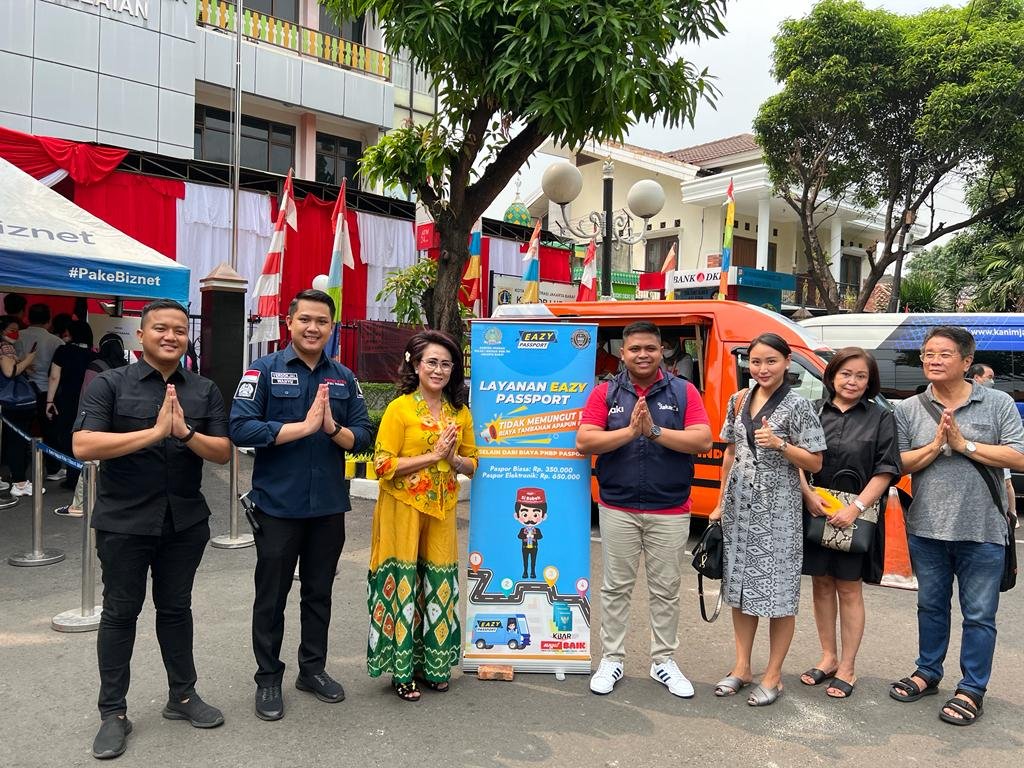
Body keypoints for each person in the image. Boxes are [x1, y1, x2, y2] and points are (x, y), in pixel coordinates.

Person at [73, 299, 231, 760]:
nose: (171, 336)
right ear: (140, 335)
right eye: (160, 328)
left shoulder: (203, 390)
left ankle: (182, 696)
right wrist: (155, 433)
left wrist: (184, 433)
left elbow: (223, 452)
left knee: (176, 609)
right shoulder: (110, 383)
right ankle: (113, 712)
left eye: (179, 330)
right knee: (120, 613)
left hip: (184, 521)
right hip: (124, 522)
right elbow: (83, 444)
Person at [230, 289, 372, 722]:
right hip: (277, 507)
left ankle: (312, 670)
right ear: (288, 322)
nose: (313, 328)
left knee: (318, 593)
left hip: (327, 507)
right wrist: (300, 428)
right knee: (271, 597)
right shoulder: (263, 371)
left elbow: (364, 435)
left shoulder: (343, 377)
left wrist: (331, 429)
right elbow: (240, 427)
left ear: (332, 327)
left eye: (322, 321)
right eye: (305, 319)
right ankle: (268, 678)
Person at [890, 326, 1024, 726]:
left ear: (967, 362)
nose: (933, 360)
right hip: (926, 528)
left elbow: (1018, 457)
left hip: (983, 530)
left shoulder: (997, 402)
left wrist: (965, 445)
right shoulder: (909, 408)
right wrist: (935, 447)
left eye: (944, 354)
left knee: (979, 615)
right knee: (930, 606)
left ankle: (972, 689)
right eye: (928, 353)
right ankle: (928, 671)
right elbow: (898, 462)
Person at [577, 321, 712, 699]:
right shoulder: (605, 392)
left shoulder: (683, 391)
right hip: (617, 506)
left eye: (650, 348)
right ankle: (612, 658)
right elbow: (585, 440)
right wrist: (630, 432)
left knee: (666, 589)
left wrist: (654, 432)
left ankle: (663, 660)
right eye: (634, 348)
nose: (642, 355)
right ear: (622, 353)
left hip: (670, 508)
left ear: (662, 351)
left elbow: (702, 439)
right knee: (615, 588)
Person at [710, 332, 825, 706]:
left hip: (779, 511)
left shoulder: (799, 406)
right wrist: (720, 502)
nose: (762, 368)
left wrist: (781, 445)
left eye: (771, 361)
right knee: (741, 589)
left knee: (779, 594)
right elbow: (731, 452)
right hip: (740, 508)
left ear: (787, 362)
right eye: (756, 361)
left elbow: (815, 461)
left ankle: (773, 675)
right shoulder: (738, 399)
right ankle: (742, 667)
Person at [366, 330, 476, 701]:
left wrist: (454, 459)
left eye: (446, 364)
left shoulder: (459, 412)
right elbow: (382, 465)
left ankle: (434, 665)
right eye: (432, 362)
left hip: (442, 509)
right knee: (405, 582)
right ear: (415, 364)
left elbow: (473, 463)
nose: (439, 370)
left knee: (439, 584)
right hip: (402, 509)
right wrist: (434, 456)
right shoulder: (399, 409)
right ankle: (402, 671)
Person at [798, 347, 901, 699]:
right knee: (821, 584)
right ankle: (828, 657)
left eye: (860, 376)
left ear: (870, 381)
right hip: (816, 510)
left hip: (857, 516)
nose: (852, 381)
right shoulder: (812, 411)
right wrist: (807, 495)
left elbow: (886, 469)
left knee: (848, 588)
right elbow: (798, 458)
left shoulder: (881, 417)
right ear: (832, 376)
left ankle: (848, 667)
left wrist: (855, 508)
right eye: (845, 373)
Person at [55, 334, 128, 518]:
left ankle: (78, 505)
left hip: (99, 422)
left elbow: (87, 395)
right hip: (122, 423)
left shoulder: (96, 366)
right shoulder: (127, 367)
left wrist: (81, 422)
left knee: (90, 464)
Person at [46, 320, 96, 496]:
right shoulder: (93, 355)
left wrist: (49, 401)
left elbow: (54, 377)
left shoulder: (63, 350)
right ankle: (83, 477)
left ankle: (72, 478)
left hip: (66, 400)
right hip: (87, 401)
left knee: (67, 437)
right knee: (83, 437)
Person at [18, 303, 65, 480]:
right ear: (49, 320)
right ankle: (53, 469)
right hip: (47, 391)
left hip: (21, 390)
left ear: (28, 317)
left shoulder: (17, 336)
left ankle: (18, 472)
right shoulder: (56, 341)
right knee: (50, 432)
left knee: (19, 432)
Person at [968, 364, 1018, 529]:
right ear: (977, 378)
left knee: (1007, 483)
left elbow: (1018, 455)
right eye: (989, 377)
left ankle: (1011, 514)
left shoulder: (1000, 401)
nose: (993, 381)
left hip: (997, 454)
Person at [1, 316, 38, 496]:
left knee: (8, 441)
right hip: (11, 402)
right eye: (11, 330)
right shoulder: (5, 347)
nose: (15, 333)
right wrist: (29, 359)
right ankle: (20, 483)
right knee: (17, 442)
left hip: (5, 402)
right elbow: (10, 371)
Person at [514, 487, 547, 579]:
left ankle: (532, 572)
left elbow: (540, 536)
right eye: (525, 514)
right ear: (517, 515)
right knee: (525, 560)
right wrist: (525, 535)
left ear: (543, 516)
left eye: (535, 515)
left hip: (534, 547)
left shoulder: (537, 530)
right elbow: (519, 536)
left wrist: (534, 535)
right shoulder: (522, 529)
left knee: (533, 560)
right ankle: (525, 572)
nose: (530, 519)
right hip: (525, 547)